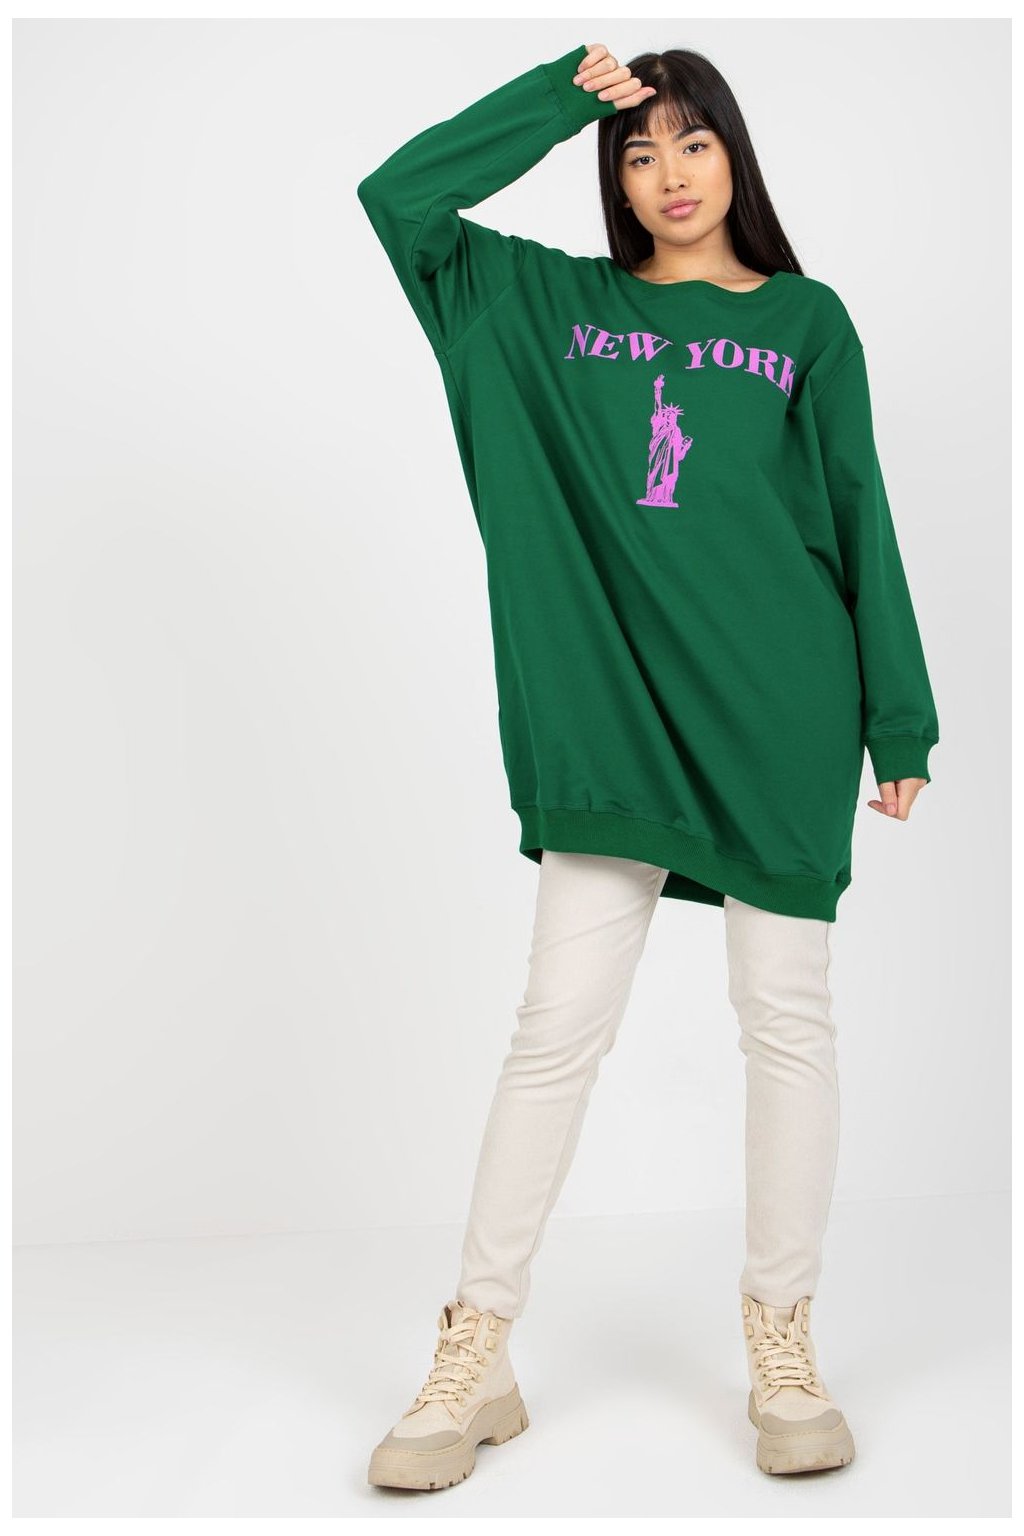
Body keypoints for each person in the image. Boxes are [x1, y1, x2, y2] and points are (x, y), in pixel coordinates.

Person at [357, 40, 939, 1488]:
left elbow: (857, 509)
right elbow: (400, 199)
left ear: (735, 155)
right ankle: (477, 1349)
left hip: (779, 710)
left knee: (785, 1018)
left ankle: (781, 1337)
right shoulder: (545, 307)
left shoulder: (806, 321)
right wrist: (562, 97)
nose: (669, 173)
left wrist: (899, 715)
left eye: (693, 142)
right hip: (612, 710)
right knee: (557, 1025)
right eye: (639, 149)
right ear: (610, 172)